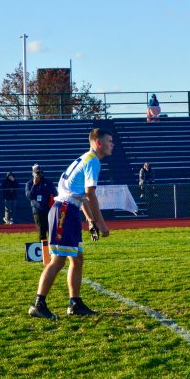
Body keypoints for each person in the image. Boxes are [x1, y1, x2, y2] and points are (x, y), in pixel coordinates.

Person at [28, 128, 114, 320]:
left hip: (68, 209)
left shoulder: (85, 158)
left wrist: (91, 220)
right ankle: (38, 303)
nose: (112, 144)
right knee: (58, 260)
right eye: (109, 141)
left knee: (77, 258)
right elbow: (90, 195)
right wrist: (102, 223)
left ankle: (75, 303)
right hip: (65, 211)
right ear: (98, 143)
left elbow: (80, 195)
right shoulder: (92, 161)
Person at [25, 164, 57, 241]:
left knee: (52, 231)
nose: (39, 174)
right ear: (33, 173)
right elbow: (29, 196)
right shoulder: (29, 184)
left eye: (40, 172)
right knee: (42, 233)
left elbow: (55, 193)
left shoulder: (48, 182)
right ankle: (44, 252)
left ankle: (52, 251)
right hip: (37, 211)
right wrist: (35, 185)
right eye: (37, 173)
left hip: (49, 210)